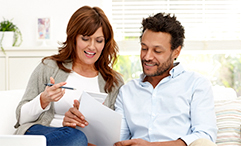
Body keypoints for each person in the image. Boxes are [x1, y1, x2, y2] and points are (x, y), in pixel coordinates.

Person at [14, 5, 124, 146]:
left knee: (79, 137)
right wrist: (44, 99)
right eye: (85, 38)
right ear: (74, 38)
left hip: (85, 142)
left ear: (105, 42)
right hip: (43, 134)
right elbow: (20, 118)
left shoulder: (114, 82)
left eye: (99, 40)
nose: (92, 46)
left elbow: (115, 134)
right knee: (76, 137)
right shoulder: (49, 67)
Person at [114, 13, 217, 146]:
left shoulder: (196, 84)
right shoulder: (127, 91)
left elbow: (205, 135)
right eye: (144, 48)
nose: (147, 57)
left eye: (157, 51)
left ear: (176, 52)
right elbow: (118, 140)